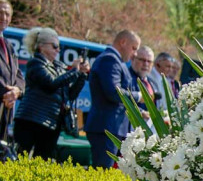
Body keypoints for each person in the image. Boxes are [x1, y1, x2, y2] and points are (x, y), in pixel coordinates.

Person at [12, 27, 89, 160]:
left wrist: (81, 75)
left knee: (42, 161)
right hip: (31, 120)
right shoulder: (35, 63)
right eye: (54, 46)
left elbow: (70, 94)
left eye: (58, 47)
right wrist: (74, 71)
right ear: (41, 47)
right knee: (19, 158)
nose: (58, 50)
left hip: (52, 123)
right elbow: (51, 83)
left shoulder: (59, 67)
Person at [84, 30, 142, 168]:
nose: (135, 54)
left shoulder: (115, 61)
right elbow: (113, 92)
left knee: (107, 173)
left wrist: (137, 110)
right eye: (134, 48)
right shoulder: (109, 59)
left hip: (111, 127)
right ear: (123, 42)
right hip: (106, 128)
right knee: (103, 173)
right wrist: (139, 96)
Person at [0, 0, 25, 140]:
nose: (3, 17)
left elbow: (18, 75)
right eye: (0, 12)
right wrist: (6, 92)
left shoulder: (9, 45)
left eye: (7, 14)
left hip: (4, 113)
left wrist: (17, 91)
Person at [129, 46, 161, 110]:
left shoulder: (153, 83)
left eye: (149, 61)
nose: (146, 64)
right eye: (142, 60)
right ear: (133, 59)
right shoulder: (127, 78)